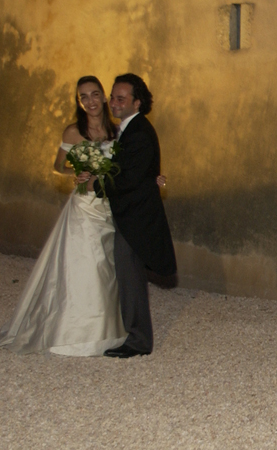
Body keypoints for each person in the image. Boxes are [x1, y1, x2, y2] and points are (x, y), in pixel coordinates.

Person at [0, 76, 127, 356]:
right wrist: (73, 174)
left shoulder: (116, 131)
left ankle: (109, 329)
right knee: (88, 265)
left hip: (109, 207)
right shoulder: (72, 132)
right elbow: (57, 166)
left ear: (104, 97)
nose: (89, 101)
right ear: (79, 102)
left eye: (94, 94)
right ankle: (76, 332)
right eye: (83, 97)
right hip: (83, 208)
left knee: (108, 268)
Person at [102, 73, 177, 358]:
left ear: (137, 102)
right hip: (129, 215)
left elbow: (129, 179)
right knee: (126, 276)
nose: (114, 102)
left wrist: (98, 180)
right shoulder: (127, 131)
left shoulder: (139, 133)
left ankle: (138, 341)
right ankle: (130, 333)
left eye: (121, 98)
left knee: (131, 278)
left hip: (134, 219)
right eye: (113, 97)